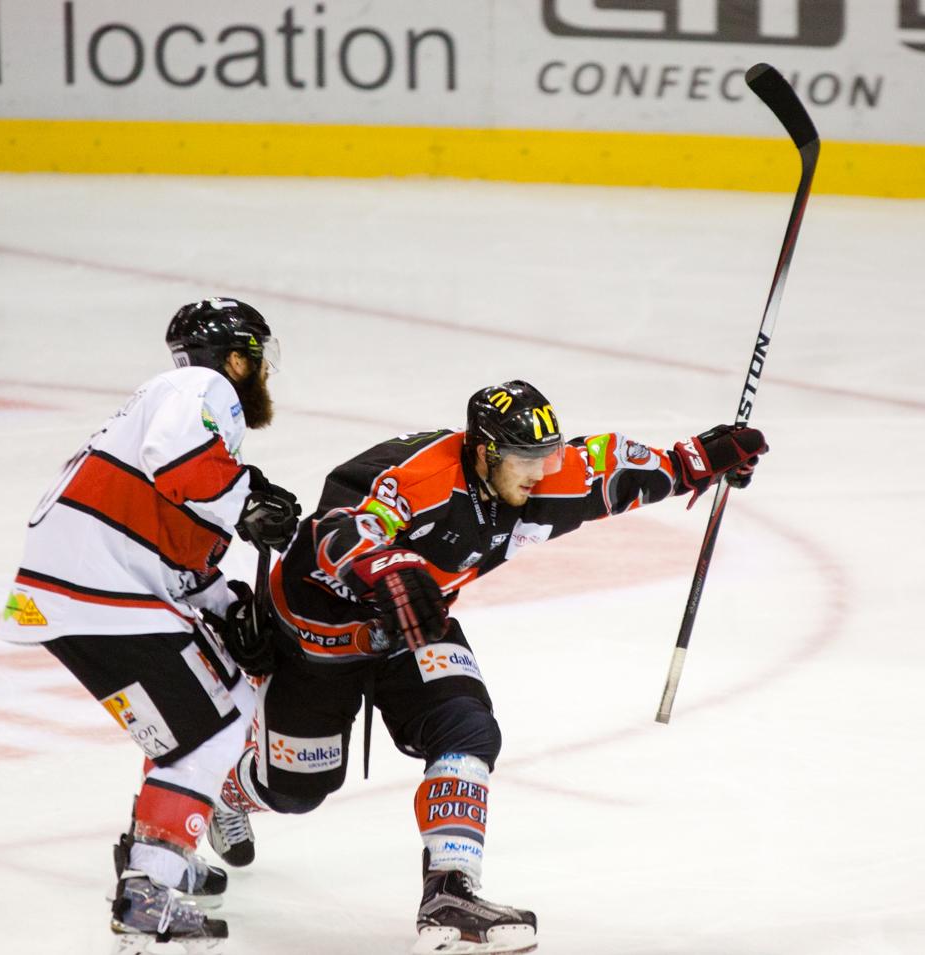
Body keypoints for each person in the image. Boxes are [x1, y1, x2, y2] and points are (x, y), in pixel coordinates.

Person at [205, 379, 767, 954]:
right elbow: (336, 526)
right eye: (524, 458)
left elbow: (607, 468)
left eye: (545, 455)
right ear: (483, 452)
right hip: (317, 639)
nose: (540, 472)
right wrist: (389, 567)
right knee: (296, 791)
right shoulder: (422, 476)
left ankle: (449, 891)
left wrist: (698, 461)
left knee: (468, 728)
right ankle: (226, 793)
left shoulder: (541, 475)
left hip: (414, 626)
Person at [0, 298, 301, 953]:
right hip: (99, 589)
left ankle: (156, 851)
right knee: (215, 725)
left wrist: (226, 604)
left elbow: (170, 543)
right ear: (238, 359)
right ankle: (148, 889)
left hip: (79, 589)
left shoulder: (171, 407)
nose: (264, 375)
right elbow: (176, 461)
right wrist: (248, 502)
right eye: (260, 360)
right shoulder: (201, 388)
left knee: (223, 702)